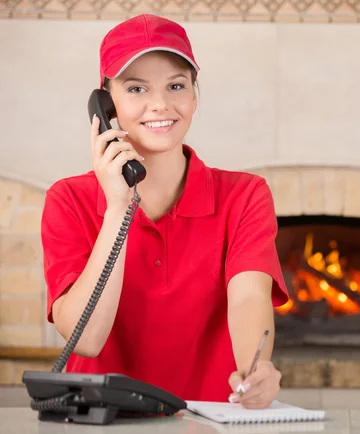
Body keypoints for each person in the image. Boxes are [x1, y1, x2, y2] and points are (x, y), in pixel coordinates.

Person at [40, 14, 288, 409]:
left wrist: (254, 370)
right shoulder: (67, 199)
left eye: (176, 85)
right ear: (106, 105)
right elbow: (85, 337)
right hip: (100, 420)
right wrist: (118, 207)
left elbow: (247, 298)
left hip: (211, 417)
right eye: (136, 88)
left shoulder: (245, 195)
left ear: (194, 96)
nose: (160, 104)